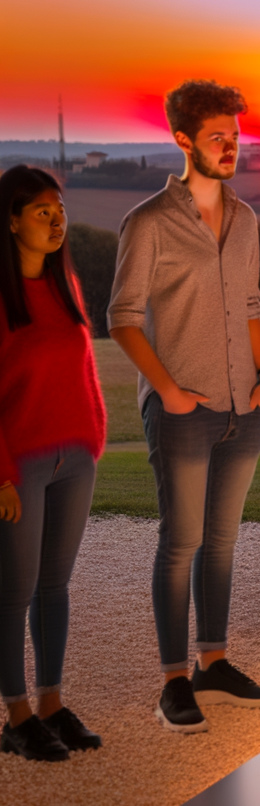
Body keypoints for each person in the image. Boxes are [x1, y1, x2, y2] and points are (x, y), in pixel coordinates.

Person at [108, 80, 260, 733]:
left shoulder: (246, 220)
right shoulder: (148, 223)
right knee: (180, 542)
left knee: (223, 542)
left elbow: (253, 305)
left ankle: (215, 661)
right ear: (183, 139)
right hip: (181, 411)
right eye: (216, 137)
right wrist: (169, 392)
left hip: (245, 404)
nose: (230, 147)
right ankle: (174, 681)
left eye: (235, 136)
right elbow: (122, 318)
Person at [0, 166, 105, 761]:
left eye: (59, 209)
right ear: (11, 220)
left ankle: (50, 704)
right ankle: (15, 717)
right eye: (42, 211)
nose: (56, 219)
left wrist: (93, 436)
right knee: (13, 593)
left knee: (54, 588)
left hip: (75, 459)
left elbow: (82, 369)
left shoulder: (64, 286)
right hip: (22, 465)